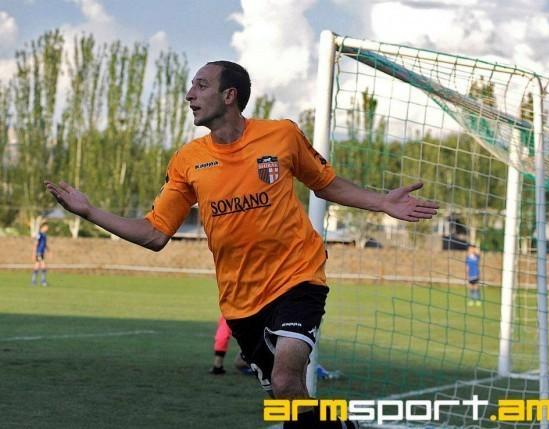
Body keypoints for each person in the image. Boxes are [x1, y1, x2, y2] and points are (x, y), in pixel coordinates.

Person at [45, 60, 438, 428]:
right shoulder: (187, 160)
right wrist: (89, 212)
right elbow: (154, 234)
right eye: (191, 86)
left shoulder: (281, 135)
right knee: (287, 400)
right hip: (240, 301)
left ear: (229, 95)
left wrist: (382, 202)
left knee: (286, 378)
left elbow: (325, 183)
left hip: (297, 278)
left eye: (201, 86)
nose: (190, 94)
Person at [31, 222, 49, 287]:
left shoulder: (45, 235)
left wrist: (48, 250)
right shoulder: (39, 234)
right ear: (42, 227)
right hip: (39, 252)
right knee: (43, 266)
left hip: (42, 253)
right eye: (46, 227)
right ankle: (43, 281)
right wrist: (34, 253)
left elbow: (44, 244)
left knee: (37, 266)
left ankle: (33, 281)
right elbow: (36, 243)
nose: (47, 228)